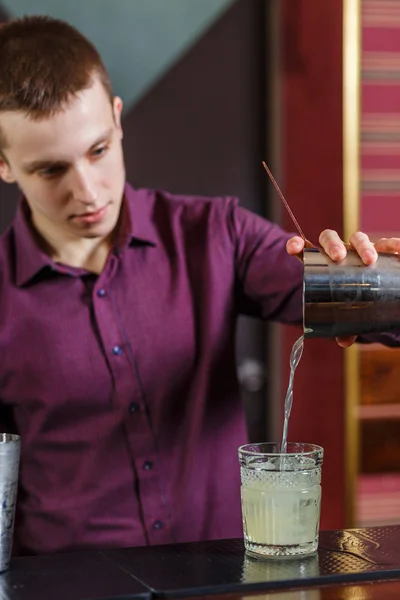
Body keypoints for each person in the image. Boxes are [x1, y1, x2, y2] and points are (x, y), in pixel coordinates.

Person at [0, 15, 399, 557]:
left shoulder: (215, 234)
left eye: (98, 151)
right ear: (5, 164)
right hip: (67, 586)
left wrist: (377, 277)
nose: (88, 191)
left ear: (117, 121)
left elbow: (353, 301)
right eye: (51, 171)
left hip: (217, 584)